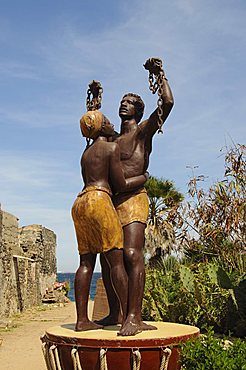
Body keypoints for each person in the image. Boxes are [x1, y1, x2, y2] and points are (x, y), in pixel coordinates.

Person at [98, 58, 174, 336]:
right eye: (122, 101)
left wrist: (160, 75)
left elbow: (167, 104)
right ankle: (115, 313)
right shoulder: (111, 140)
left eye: (129, 102)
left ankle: (134, 316)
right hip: (112, 202)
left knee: (132, 253)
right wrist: (94, 102)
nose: (123, 104)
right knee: (110, 258)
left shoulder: (142, 133)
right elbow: (92, 127)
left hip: (134, 200)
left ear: (138, 111)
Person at [71, 110, 148, 332]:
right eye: (106, 121)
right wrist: (143, 178)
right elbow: (120, 185)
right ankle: (129, 319)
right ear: (102, 127)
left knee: (86, 262)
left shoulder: (86, 153)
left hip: (79, 203)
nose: (111, 123)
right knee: (116, 260)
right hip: (99, 201)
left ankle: (82, 320)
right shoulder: (111, 148)